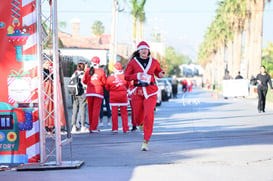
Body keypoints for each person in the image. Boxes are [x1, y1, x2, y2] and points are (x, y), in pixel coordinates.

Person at [124, 41, 165, 151]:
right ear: (138, 51)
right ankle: (140, 123)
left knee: (149, 114)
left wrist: (161, 74)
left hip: (150, 91)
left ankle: (146, 141)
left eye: (146, 49)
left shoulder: (154, 61)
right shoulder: (133, 62)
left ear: (148, 51)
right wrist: (137, 75)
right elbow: (126, 77)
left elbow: (158, 72)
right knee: (137, 117)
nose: (144, 51)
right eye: (142, 49)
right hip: (137, 91)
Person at [83, 56, 106, 133]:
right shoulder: (101, 71)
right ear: (98, 63)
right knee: (96, 110)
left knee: (90, 110)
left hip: (89, 92)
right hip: (98, 92)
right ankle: (94, 127)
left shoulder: (87, 71)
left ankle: (91, 127)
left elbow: (84, 81)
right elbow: (104, 82)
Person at [105, 62, 129, 133]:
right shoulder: (125, 77)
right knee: (124, 113)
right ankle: (125, 128)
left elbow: (107, 87)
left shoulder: (110, 77)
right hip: (123, 96)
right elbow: (128, 86)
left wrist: (113, 90)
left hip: (113, 97)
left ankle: (115, 128)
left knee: (114, 113)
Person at [71, 62, 89, 133]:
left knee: (75, 110)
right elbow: (86, 83)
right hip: (82, 93)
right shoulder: (84, 74)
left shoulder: (74, 74)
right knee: (82, 109)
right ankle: (83, 126)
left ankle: (74, 126)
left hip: (75, 93)